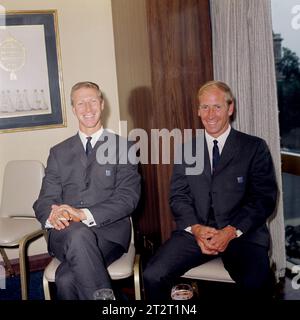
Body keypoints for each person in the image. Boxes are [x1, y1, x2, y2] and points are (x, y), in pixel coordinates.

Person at [143, 80, 278, 300]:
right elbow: (178, 196)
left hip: (242, 234)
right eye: (204, 107)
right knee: (152, 275)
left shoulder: (254, 147)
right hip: (195, 233)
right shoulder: (187, 149)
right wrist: (195, 228)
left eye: (217, 106)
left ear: (230, 108)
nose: (210, 114)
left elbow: (263, 199)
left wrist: (231, 231)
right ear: (198, 110)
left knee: (257, 283)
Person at [34, 81, 140, 300]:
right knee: (78, 234)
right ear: (74, 109)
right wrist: (53, 215)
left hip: (108, 233)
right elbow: (44, 199)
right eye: (81, 103)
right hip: (65, 233)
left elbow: (128, 198)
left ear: (102, 104)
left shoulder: (124, 148)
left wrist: (82, 215)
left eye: (93, 101)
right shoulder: (58, 152)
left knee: (66, 279)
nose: (88, 108)